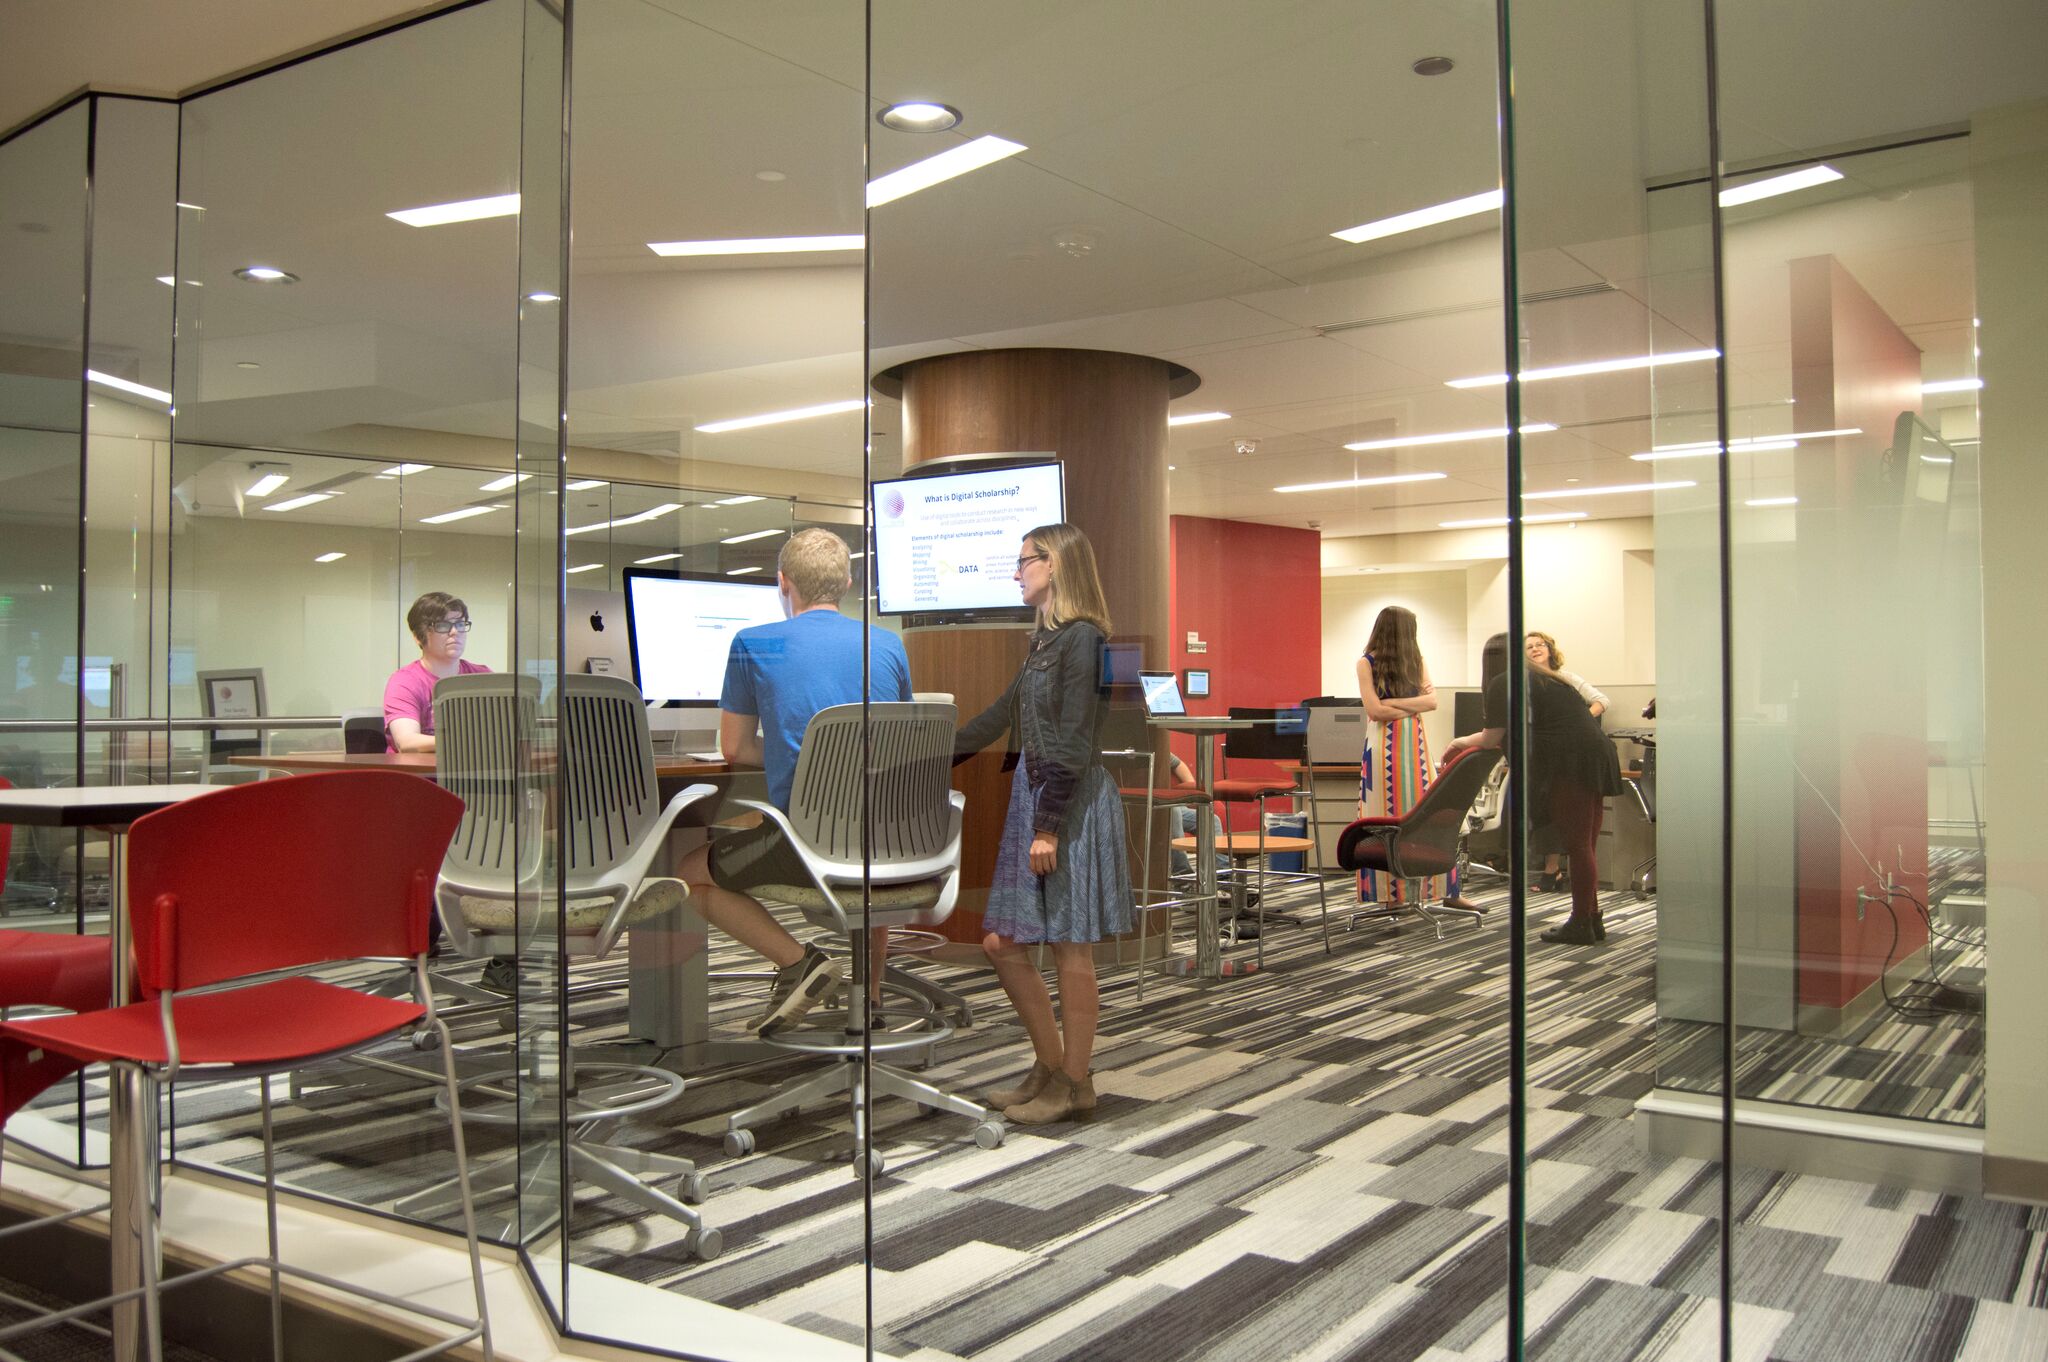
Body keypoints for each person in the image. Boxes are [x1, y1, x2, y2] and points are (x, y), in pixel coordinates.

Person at [676, 528, 913, 1035]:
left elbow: (735, 749)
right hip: (898, 842)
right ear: (847, 583)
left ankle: (798, 962)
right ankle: (867, 998)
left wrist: (795, 755)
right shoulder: (888, 644)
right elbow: (900, 742)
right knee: (869, 839)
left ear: (783, 584)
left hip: (811, 844)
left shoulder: (753, 643)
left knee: (689, 872)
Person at [957, 523, 1131, 1126]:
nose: (1015, 573)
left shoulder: (1083, 639)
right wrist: (915, 753)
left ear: (1053, 564)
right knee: (1002, 945)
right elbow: (994, 720)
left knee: (1069, 949)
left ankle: (1075, 1081)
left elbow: (1076, 740)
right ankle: (1051, 1065)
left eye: (1023, 561)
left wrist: (1049, 826)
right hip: (1037, 802)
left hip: (1068, 805)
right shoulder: (1043, 643)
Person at [1444, 633, 1624, 944]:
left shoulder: (1506, 682)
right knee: (1586, 846)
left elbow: (1491, 738)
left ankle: (1582, 922)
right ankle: (1591, 918)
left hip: (1572, 760)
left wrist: (1457, 742)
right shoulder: (1547, 678)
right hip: (1594, 754)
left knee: (1578, 846)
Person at [1355, 606, 1474, 910]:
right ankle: (1390, 896)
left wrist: (1392, 701)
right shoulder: (1366, 663)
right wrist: (1412, 705)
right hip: (1383, 751)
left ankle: (1445, 891)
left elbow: (1432, 702)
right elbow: (1375, 711)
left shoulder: (1417, 663)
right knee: (1386, 820)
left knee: (1426, 818)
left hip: (1414, 748)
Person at [1524, 632, 1609, 892]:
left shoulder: (1565, 679)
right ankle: (1553, 871)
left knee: (1579, 836)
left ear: (1550, 649)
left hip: (1572, 755)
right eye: (1529, 647)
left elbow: (1602, 701)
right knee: (1547, 813)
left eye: (1540, 644)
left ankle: (1563, 881)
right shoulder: (1527, 683)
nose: (1536, 649)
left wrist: (1578, 721)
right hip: (1546, 756)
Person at [383, 591, 490, 752]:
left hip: (476, 773)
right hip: (423, 775)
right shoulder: (404, 682)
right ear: (418, 636)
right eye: (442, 625)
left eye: (460, 624)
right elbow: (407, 742)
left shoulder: (482, 676)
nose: (455, 632)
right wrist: (468, 741)